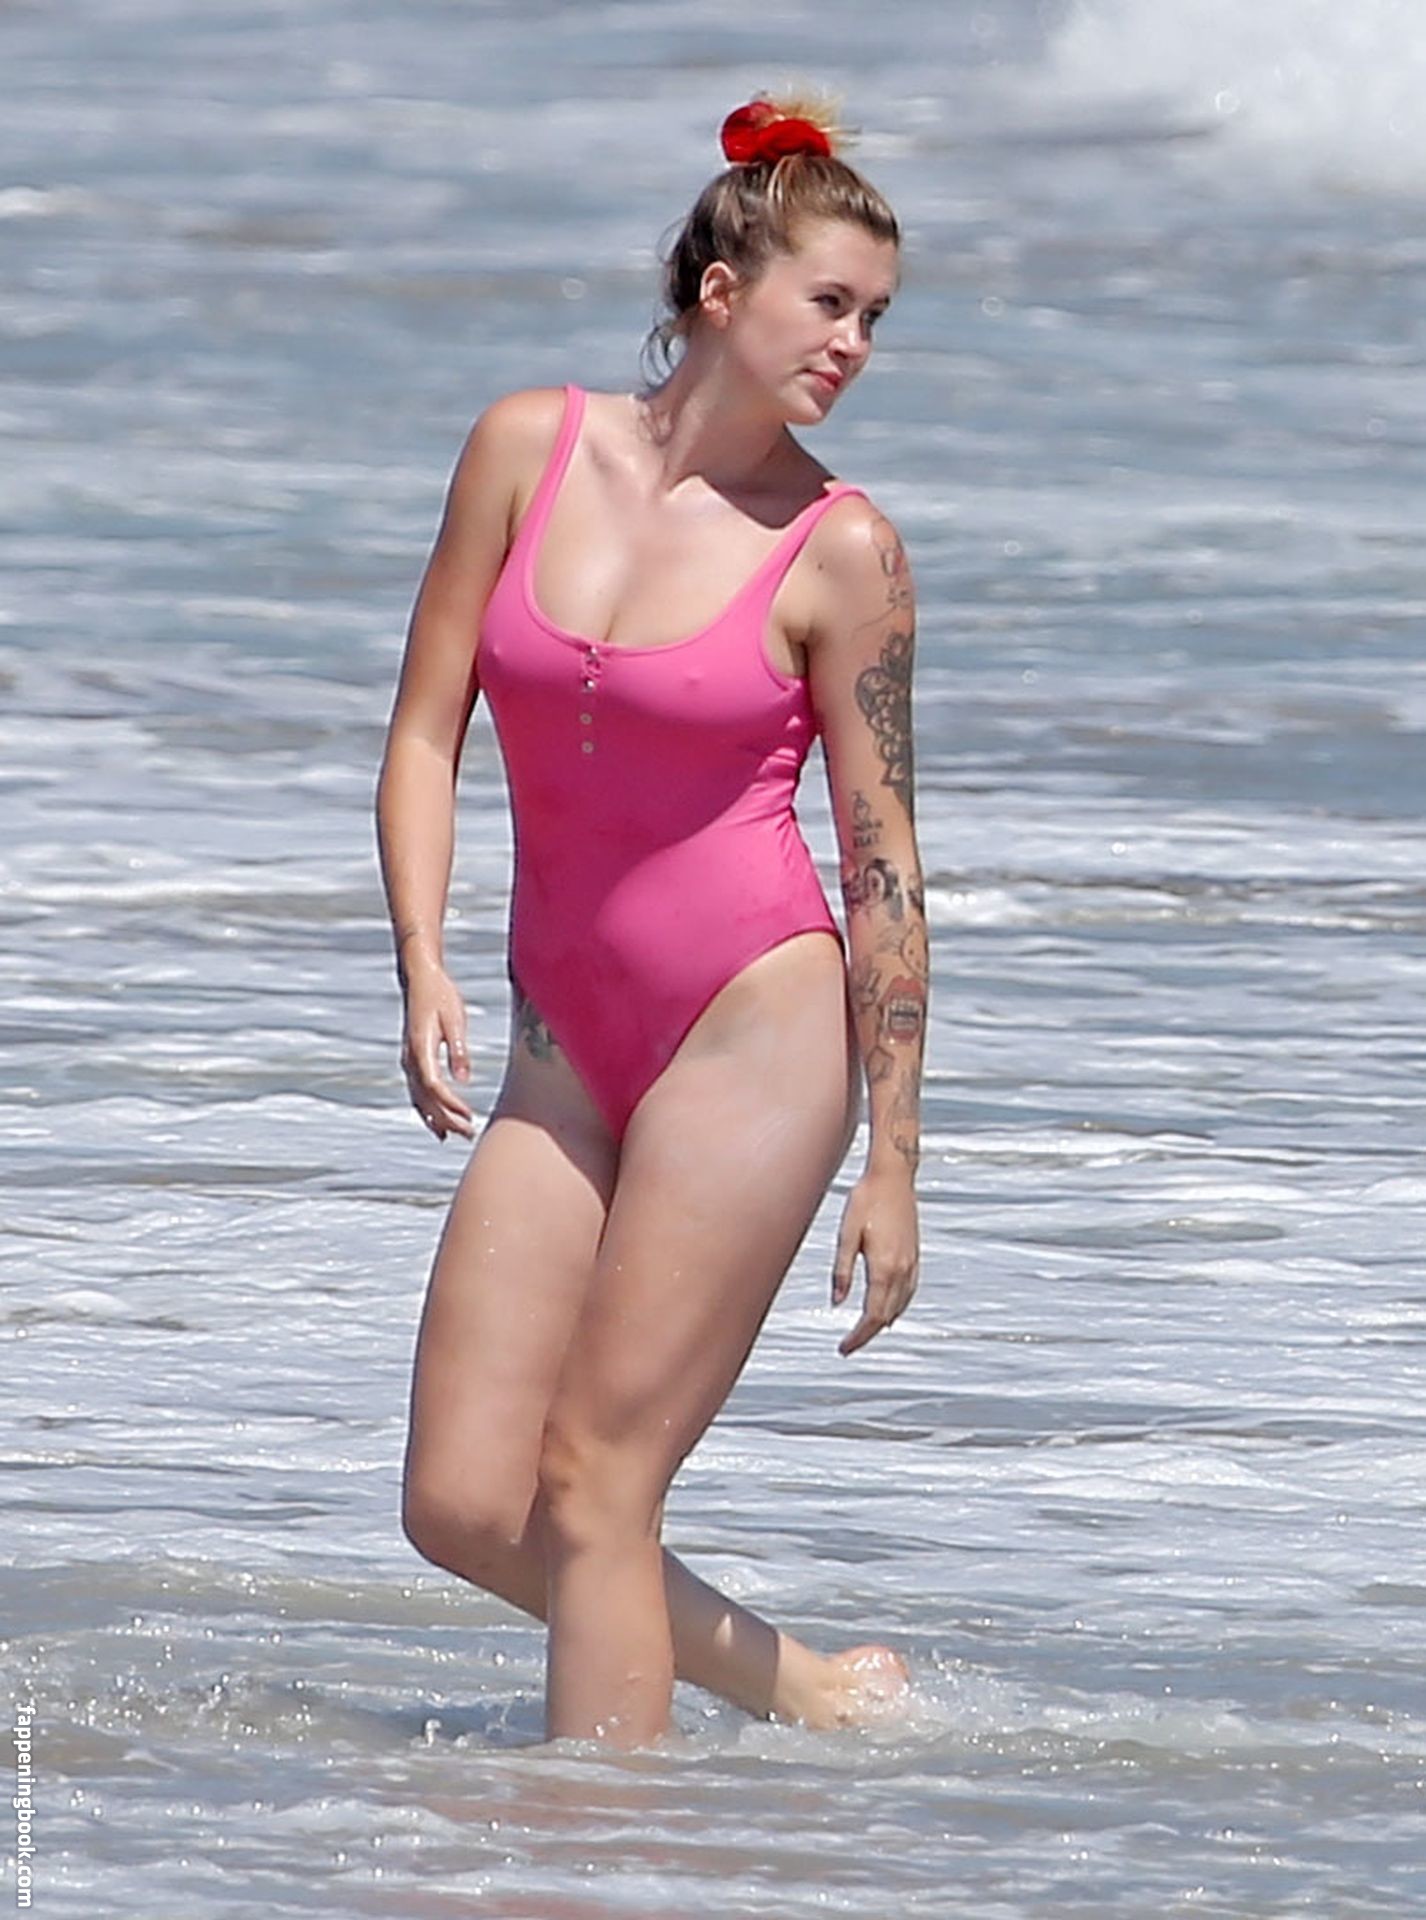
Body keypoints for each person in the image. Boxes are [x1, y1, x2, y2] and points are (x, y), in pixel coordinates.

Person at [375, 88, 928, 1751]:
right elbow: (424, 728)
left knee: (595, 1484)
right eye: (828, 303)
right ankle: (803, 1690)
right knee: (462, 1498)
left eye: (874, 319)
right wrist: (421, 956)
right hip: (561, 1035)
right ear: (720, 290)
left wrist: (893, 1155)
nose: (852, 346)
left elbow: (883, 863)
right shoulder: (523, 449)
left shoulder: (842, 551)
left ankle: (597, 1843)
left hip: (751, 1025)